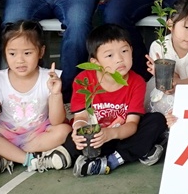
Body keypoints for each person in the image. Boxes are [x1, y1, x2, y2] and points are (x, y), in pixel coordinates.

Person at [71, 24, 168, 176]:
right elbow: (81, 117)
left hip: (122, 135)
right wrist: (78, 130)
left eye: (124, 51)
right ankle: (140, 150)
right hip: (96, 140)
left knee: (156, 121)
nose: (119, 59)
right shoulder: (84, 80)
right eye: (110, 55)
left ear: (131, 51)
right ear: (95, 63)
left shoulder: (137, 82)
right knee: (68, 139)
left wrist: (111, 133)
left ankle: (111, 161)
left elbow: (132, 124)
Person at [0, 21, 73, 175]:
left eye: (27, 53)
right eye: (12, 54)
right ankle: (30, 159)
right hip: (5, 132)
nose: (20, 60)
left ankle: (8, 155)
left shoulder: (49, 77)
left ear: (41, 52)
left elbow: (57, 121)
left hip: (37, 134)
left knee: (64, 130)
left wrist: (56, 93)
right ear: (4, 53)